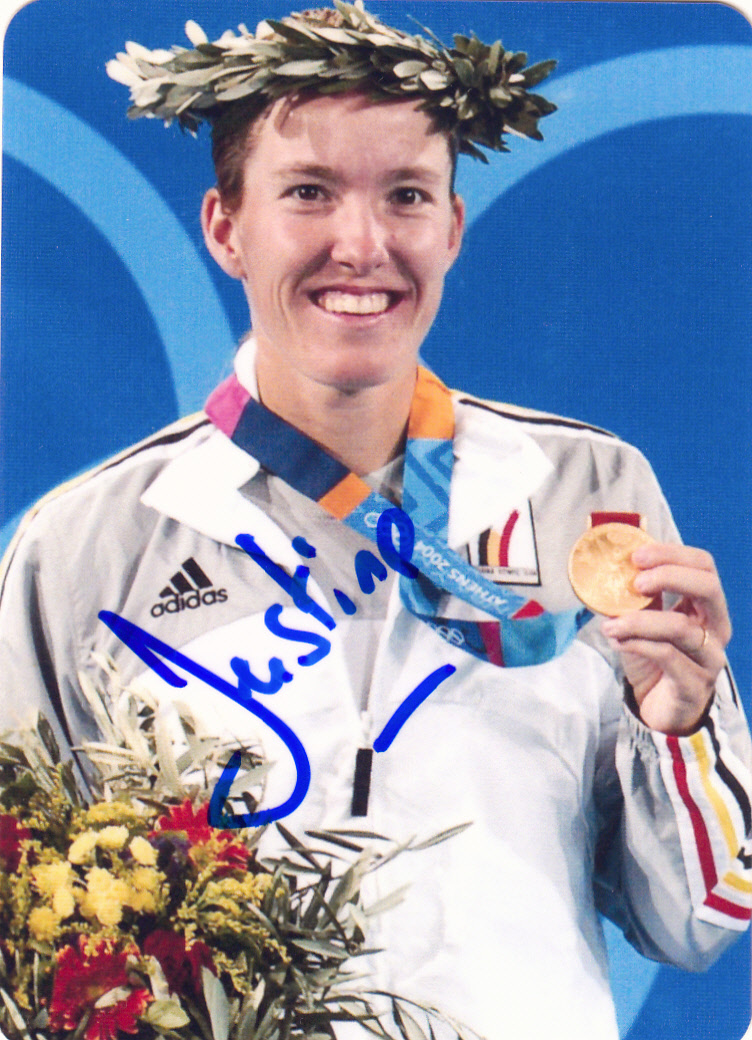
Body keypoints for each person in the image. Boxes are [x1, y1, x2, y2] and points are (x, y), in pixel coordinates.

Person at [0, 3, 750, 1037]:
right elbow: (26, 938)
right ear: (225, 227)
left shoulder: (589, 492)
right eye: (308, 192)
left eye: (405, 195)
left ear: (451, 226)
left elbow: (696, 921)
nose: (362, 245)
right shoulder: (87, 546)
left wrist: (679, 727)